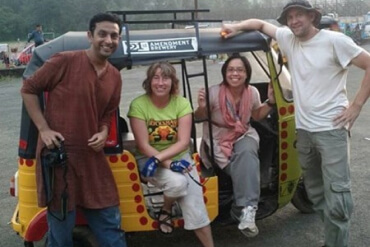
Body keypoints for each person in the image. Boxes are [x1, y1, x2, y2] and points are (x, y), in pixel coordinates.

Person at [221, 0, 370, 246]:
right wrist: (234, 27)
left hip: (332, 131)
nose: (293, 21)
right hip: (304, 132)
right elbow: (258, 23)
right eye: (289, 17)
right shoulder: (288, 39)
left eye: (298, 15)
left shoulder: (335, 41)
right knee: (315, 192)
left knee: (338, 195)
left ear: (312, 16)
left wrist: (356, 105)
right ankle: (333, 237)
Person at [21, 13, 127, 247]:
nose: (108, 40)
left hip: (92, 160)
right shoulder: (65, 61)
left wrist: (102, 131)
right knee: (61, 233)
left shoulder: (115, 77)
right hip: (59, 159)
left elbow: (108, 113)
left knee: (110, 226)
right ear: (90, 36)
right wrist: (44, 128)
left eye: (114, 35)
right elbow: (29, 88)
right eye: (102, 34)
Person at [128, 62, 214, 247]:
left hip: (179, 158)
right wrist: (165, 163)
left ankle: (167, 211)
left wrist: (167, 160)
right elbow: (143, 145)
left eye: (165, 78)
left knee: (196, 206)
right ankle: (166, 210)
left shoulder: (181, 103)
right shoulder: (139, 105)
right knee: (177, 183)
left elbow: (183, 141)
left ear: (172, 82)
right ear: (149, 81)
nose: (160, 83)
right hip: (149, 159)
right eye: (156, 78)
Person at [194, 54, 275, 238]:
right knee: (243, 168)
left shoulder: (252, 92)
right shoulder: (213, 92)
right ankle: (238, 210)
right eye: (231, 70)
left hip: (243, 134)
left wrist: (270, 102)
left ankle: (247, 211)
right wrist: (201, 107)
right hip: (217, 139)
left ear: (247, 74)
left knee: (247, 153)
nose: (235, 73)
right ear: (225, 73)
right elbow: (198, 117)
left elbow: (256, 116)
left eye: (240, 70)